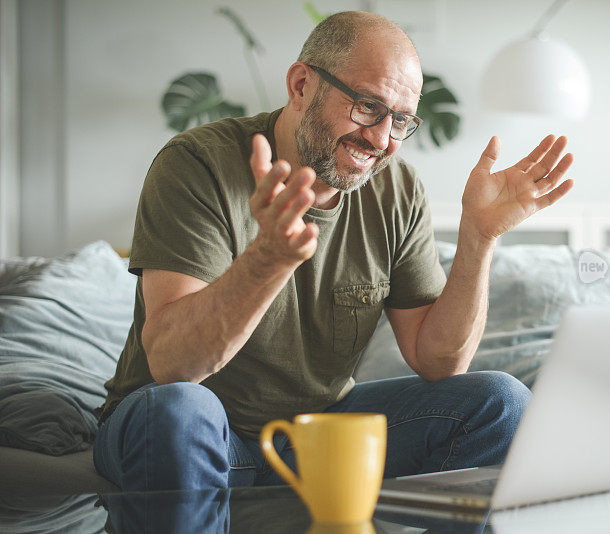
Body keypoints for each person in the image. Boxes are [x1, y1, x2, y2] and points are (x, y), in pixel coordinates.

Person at [94, 11, 574, 491]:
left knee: (501, 402)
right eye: (367, 106)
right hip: (190, 429)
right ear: (301, 85)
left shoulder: (398, 189)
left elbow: (438, 362)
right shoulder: (199, 163)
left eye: (401, 120)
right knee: (177, 411)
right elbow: (172, 365)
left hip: (318, 434)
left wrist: (478, 239)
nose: (383, 139)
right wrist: (268, 259)